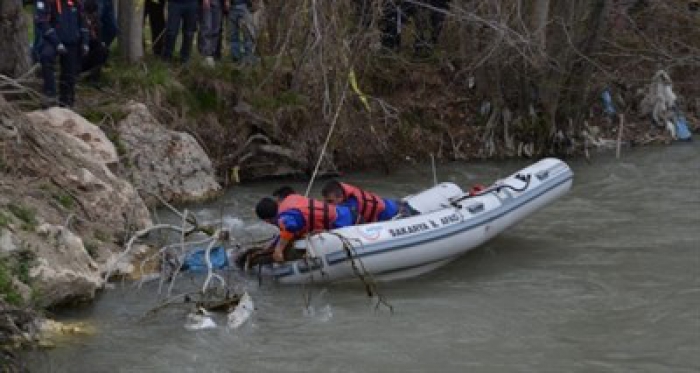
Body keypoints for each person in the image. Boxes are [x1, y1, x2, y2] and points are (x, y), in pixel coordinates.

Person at [254, 186, 354, 263]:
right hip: (347, 212)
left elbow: (291, 227)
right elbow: (286, 232)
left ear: (266, 220)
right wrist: (271, 246)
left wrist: (278, 250)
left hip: (347, 222)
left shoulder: (285, 216)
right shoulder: (290, 201)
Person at [34, 0, 90, 108]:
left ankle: (67, 101)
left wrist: (85, 42)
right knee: (46, 57)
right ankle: (50, 94)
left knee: (70, 74)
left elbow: (83, 23)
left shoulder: (76, 3)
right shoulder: (47, 2)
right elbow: (41, 21)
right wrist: (57, 42)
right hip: (52, 40)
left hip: (72, 41)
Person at [321, 181, 399, 224]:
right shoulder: (345, 199)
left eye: (330, 201)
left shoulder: (351, 206)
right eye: (325, 201)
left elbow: (361, 224)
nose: (327, 205)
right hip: (390, 203)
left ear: (341, 197)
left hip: (394, 212)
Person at [81, 0, 109, 83]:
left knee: (103, 50)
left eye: (93, 14)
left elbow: (98, 40)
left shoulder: (97, 24)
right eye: (89, 15)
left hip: (91, 52)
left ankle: (94, 77)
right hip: (79, 53)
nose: (91, 17)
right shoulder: (79, 21)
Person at [198, 0, 228, 66]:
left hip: (219, 3)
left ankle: (212, 54)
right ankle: (206, 55)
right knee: (206, 28)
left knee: (216, 30)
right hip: (207, 2)